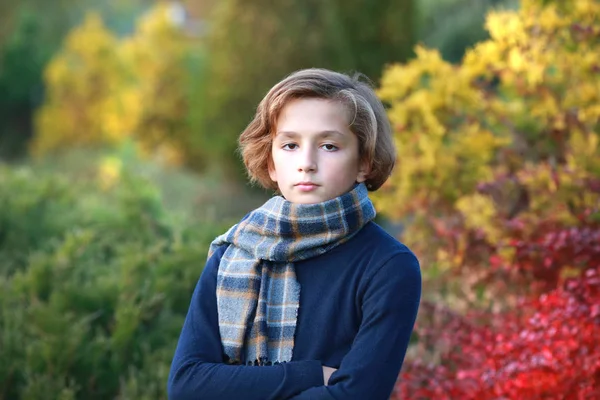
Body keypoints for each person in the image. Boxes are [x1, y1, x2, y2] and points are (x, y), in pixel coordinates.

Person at [167, 68, 421, 400]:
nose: (306, 163)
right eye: (289, 145)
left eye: (329, 146)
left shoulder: (389, 267)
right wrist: (310, 374)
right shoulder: (234, 253)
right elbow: (187, 385)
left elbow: (355, 395)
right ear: (271, 162)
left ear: (364, 162)